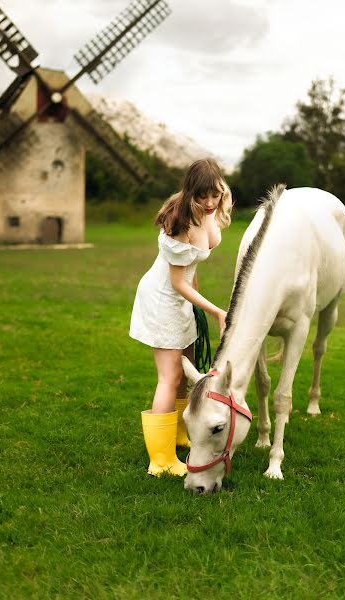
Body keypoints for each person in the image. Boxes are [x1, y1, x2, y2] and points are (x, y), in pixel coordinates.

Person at [129, 158, 231, 476]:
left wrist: (197, 309)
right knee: (169, 377)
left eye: (215, 194)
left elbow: (191, 271)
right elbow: (177, 281)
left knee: (186, 372)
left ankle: (179, 435)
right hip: (163, 300)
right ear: (191, 193)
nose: (211, 202)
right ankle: (160, 460)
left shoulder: (211, 209)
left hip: (183, 300)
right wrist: (214, 310)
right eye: (204, 196)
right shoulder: (180, 222)